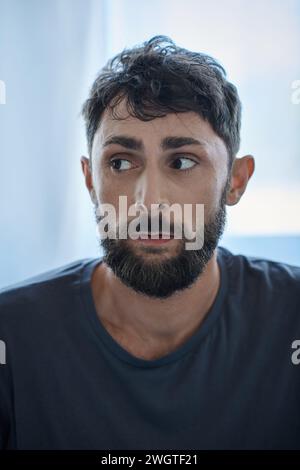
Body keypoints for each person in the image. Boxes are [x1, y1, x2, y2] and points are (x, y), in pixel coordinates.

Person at [0, 35, 299, 450]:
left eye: (181, 162)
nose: (149, 201)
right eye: (120, 162)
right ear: (90, 180)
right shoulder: (11, 338)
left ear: (235, 180)